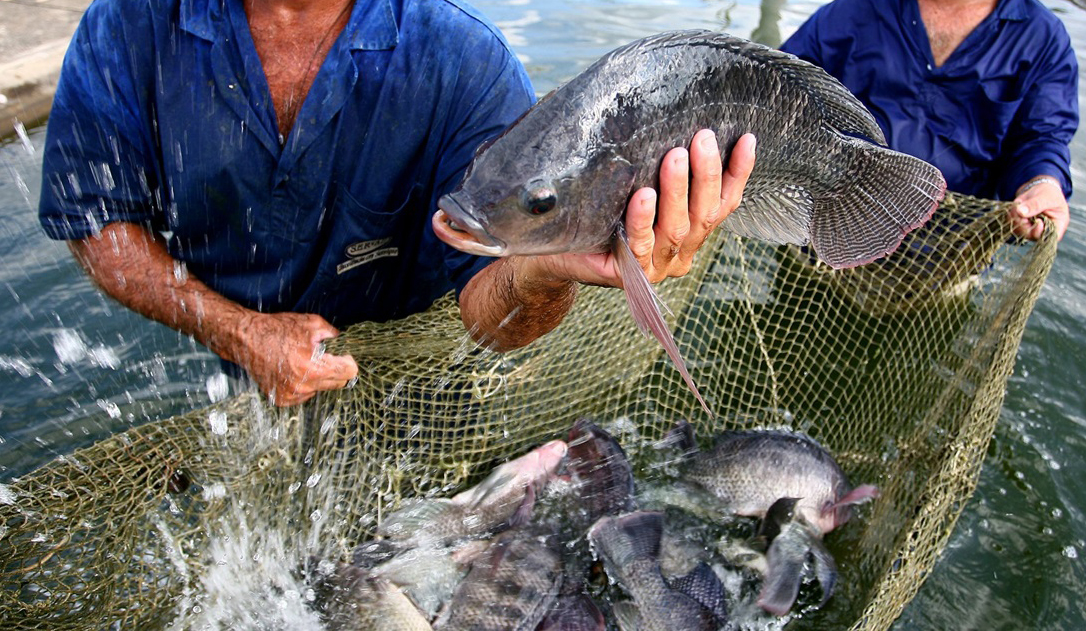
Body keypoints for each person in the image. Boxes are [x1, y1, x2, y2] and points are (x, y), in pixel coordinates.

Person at [38, 0, 756, 406]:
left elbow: (492, 315)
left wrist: (546, 267)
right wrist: (236, 331)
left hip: (413, 387)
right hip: (222, 363)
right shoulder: (127, 25)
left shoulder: (465, 62)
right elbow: (95, 219)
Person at [780, 0, 1078, 242]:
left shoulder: (1043, 39)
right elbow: (778, 96)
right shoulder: (850, 12)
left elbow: (1041, 138)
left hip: (948, 256)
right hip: (829, 240)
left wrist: (1042, 182)